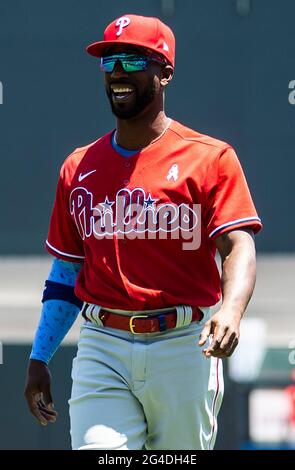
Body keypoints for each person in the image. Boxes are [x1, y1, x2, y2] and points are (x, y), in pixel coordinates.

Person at [24, 13, 262, 450]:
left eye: (133, 61)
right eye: (109, 60)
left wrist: (230, 312)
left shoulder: (210, 158)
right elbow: (66, 273)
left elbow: (238, 245)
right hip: (103, 344)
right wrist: (40, 356)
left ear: (165, 73)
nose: (117, 71)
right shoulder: (78, 167)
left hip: (185, 345)